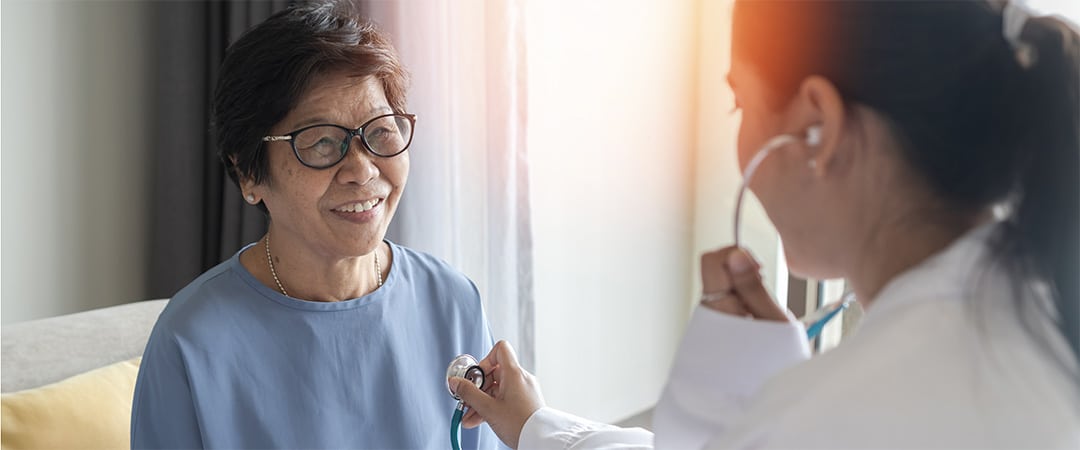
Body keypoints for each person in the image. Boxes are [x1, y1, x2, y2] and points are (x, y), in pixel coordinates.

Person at [449, 1, 1080, 448]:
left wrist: (761, 413)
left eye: (740, 102)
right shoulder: (1043, 316)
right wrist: (537, 426)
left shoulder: (821, 420)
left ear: (817, 126)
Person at [131, 2, 501, 448]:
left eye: (381, 130)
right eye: (323, 142)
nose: (362, 170)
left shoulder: (453, 300)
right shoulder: (191, 340)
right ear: (249, 173)